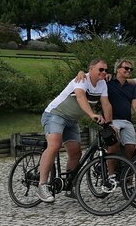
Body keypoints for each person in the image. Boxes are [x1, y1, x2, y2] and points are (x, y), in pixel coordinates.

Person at [37, 59, 112, 202]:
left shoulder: (102, 84)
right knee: (54, 145)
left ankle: (69, 185)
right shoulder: (81, 79)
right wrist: (92, 114)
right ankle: (42, 185)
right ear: (90, 69)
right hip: (55, 114)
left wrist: (109, 124)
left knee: (76, 152)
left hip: (72, 120)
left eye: (105, 70)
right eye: (100, 69)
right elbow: (80, 97)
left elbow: (106, 104)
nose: (103, 72)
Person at [106, 58, 136, 170]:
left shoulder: (131, 87)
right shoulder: (107, 82)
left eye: (131, 69)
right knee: (114, 143)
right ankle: (111, 174)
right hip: (113, 119)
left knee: (131, 149)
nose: (129, 70)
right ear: (117, 69)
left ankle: (128, 177)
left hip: (126, 120)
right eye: (126, 68)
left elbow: (134, 103)